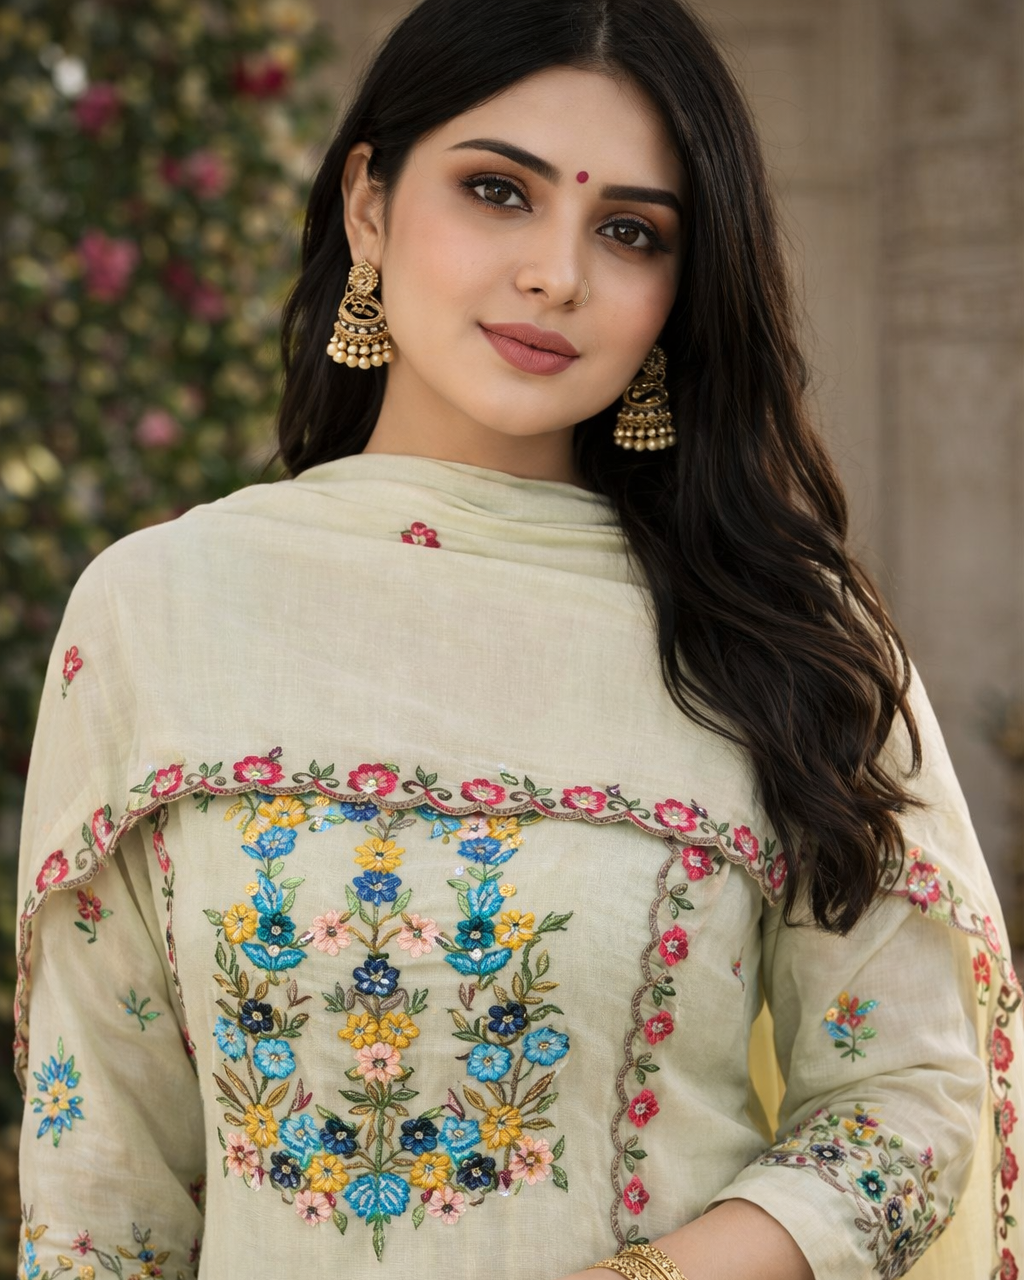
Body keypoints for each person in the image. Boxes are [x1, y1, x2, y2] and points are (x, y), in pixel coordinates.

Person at [14, 1, 1021, 1277]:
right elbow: (99, 1179)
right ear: (367, 205)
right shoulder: (161, 611)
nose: (558, 272)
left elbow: (912, 1097)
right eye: (498, 190)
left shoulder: (775, 630)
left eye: (627, 230)